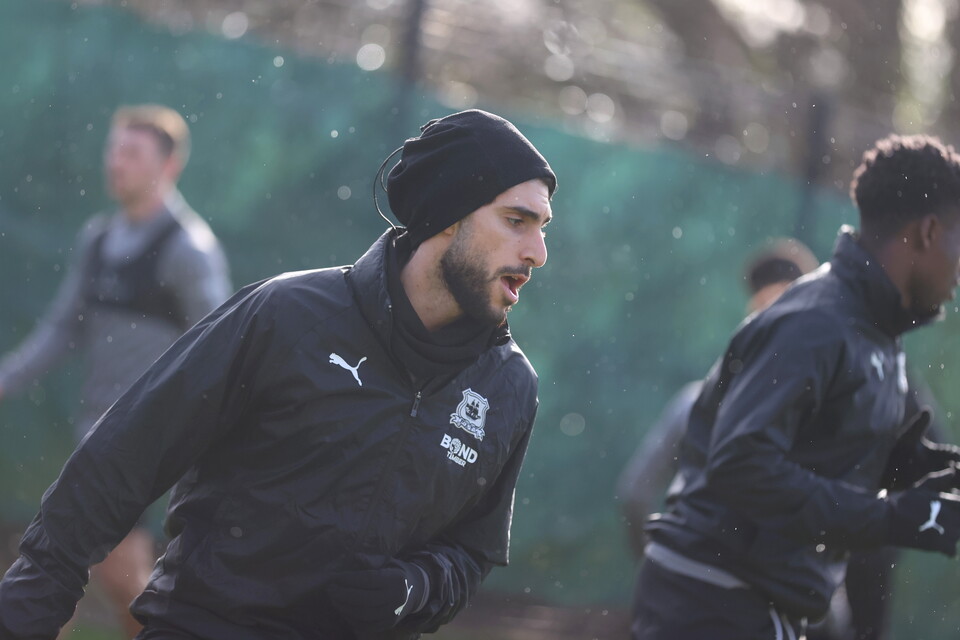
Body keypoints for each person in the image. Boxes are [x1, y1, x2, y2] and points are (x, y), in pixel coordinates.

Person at [0, 108, 557, 640]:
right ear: (446, 214)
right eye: (516, 221)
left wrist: (415, 589)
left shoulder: (510, 387)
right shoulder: (287, 314)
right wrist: (33, 596)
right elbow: (127, 453)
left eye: (542, 227)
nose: (537, 251)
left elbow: (472, 552)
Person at [631, 133, 960, 640]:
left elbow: (812, 455)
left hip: (764, 606)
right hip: (715, 607)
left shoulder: (876, 331)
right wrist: (891, 518)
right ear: (929, 232)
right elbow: (742, 466)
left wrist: (904, 471)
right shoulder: (816, 323)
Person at [0, 104, 231, 638]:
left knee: (85, 565)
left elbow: (220, 349)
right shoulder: (98, 238)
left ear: (168, 167)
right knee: (116, 579)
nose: (115, 162)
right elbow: (62, 328)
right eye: (113, 148)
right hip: (96, 433)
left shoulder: (189, 251)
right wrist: (8, 377)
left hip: (147, 446)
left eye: (131, 152)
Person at [617, 237, 819, 558]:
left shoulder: (694, 403)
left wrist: (659, 568)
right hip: (782, 594)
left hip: (688, 584)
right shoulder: (826, 413)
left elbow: (635, 493)